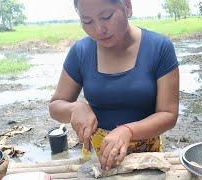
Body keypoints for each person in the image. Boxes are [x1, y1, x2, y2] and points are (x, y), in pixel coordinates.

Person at [49, 0, 179, 171]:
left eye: (106, 17)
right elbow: (55, 106)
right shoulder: (81, 52)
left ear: (127, 6)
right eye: (87, 21)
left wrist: (128, 131)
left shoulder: (160, 48)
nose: (99, 30)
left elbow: (168, 114)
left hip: (147, 161)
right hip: (101, 162)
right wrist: (75, 109)